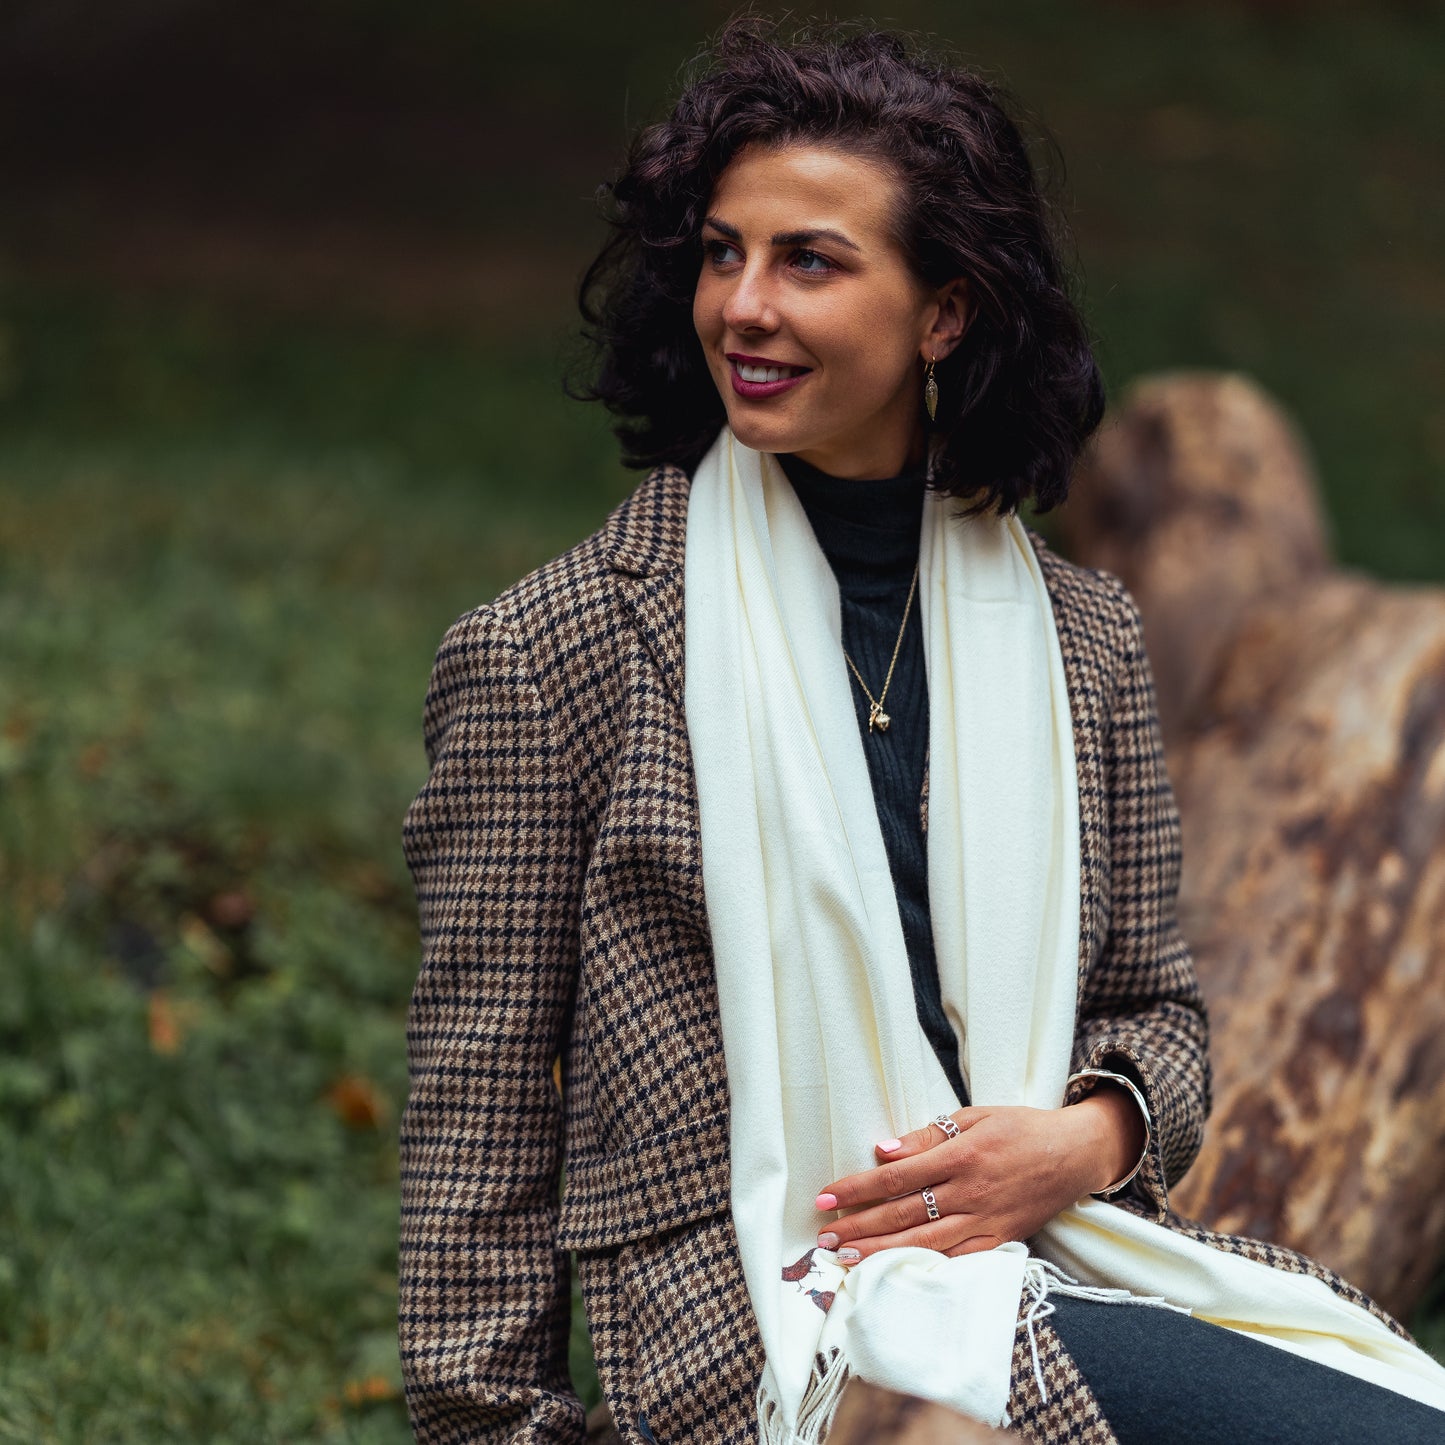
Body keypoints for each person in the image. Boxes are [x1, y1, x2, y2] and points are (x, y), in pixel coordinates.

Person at [398, 19, 1445, 1445]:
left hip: (1066, 1258)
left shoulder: (1082, 639)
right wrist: (498, 1427)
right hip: (774, 1324)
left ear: (942, 312)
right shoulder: (552, 654)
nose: (741, 307)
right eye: (720, 252)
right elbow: (477, 1132)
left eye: (808, 260)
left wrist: (1079, 1141)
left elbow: (1157, 1017)